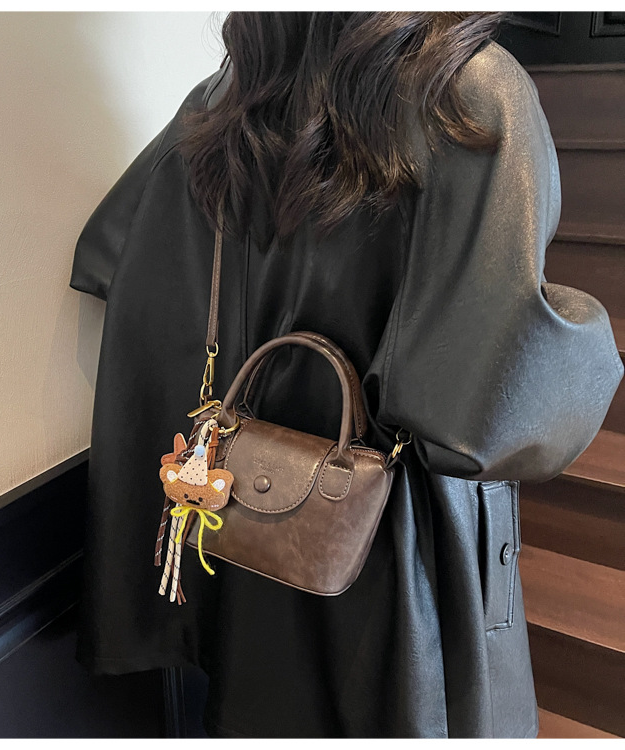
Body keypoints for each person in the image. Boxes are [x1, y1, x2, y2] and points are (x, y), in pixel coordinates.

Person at [68, 12, 623, 738]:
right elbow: (487, 407)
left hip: (251, 527)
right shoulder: (469, 93)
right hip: (395, 552)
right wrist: (583, 331)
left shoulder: (224, 100)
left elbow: (114, 258)